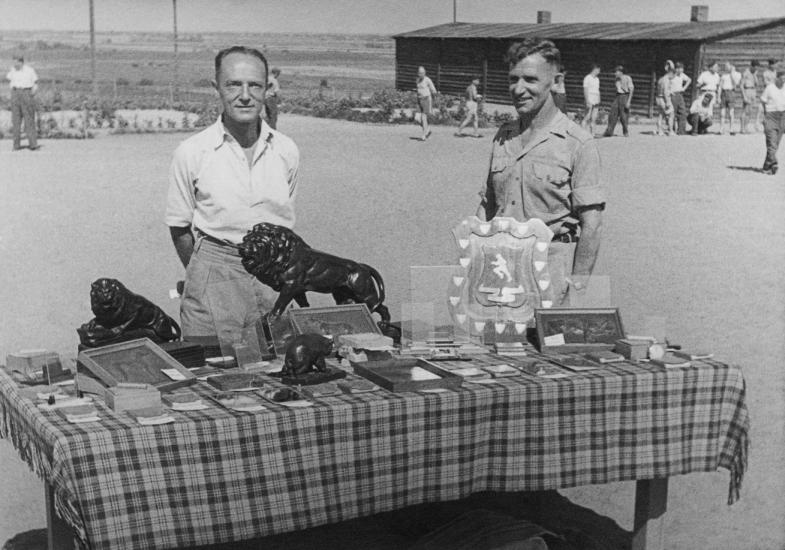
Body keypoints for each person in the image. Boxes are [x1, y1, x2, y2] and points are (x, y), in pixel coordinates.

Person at [165, 46, 300, 339]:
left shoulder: (286, 150)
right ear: (216, 88)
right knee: (210, 363)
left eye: (255, 85)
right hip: (215, 277)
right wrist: (204, 277)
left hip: (273, 280)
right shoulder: (192, 152)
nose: (245, 95)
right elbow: (179, 227)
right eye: (233, 85)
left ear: (267, 89)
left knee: (281, 361)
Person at [478, 39, 604, 306]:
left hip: (551, 280)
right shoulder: (503, 136)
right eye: (513, 79)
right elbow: (487, 207)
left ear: (556, 82)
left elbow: (592, 226)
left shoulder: (578, 143)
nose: (518, 89)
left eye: (530, 80)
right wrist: (474, 266)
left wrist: (576, 293)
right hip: (501, 275)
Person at [6, 55, 39, 151]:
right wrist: (12, 92)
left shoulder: (29, 70)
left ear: (21, 62)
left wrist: (32, 93)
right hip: (15, 93)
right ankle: (16, 145)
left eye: (16, 62)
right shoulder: (12, 70)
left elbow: (35, 83)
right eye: (13, 62)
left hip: (26, 92)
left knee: (29, 119)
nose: (14, 64)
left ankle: (33, 144)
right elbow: (10, 80)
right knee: (15, 120)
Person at [759, 69, 785, 175]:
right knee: (772, 143)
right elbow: (762, 102)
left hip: (782, 117)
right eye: (782, 79)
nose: (783, 81)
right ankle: (774, 163)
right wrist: (761, 117)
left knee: (775, 144)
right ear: (777, 78)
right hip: (770, 116)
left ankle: (766, 166)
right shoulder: (770, 88)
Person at [603, 65, 633, 137]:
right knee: (612, 113)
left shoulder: (627, 78)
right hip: (618, 96)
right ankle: (609, 131)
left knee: (623, 115)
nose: (615, 73)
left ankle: (625, 131)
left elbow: (631, 90)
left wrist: (628, 101)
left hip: (625, 96)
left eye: (616, 72)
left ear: (621, 72)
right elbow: (617, 89)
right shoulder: (616, 79)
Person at [718, 62, 741, 134]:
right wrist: (718, 97)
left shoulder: (737, 74)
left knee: (731, 112)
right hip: (724, 93)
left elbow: (736, 83)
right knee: (722, 113)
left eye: (727, 66)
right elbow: (720, 86)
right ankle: (721, 129)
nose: (726, 67)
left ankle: (731, 129)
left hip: (731, 92)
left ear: (731, 66)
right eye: (725, 66)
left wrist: (732, 74)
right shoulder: (723, 75)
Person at [415, 66, 437, 141]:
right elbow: (418, 90)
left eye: (422, 73)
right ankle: (427, 130)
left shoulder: (428, 80)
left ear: (425, 73)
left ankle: (424, 135)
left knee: (424, 117)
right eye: (419, 73)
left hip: (426, 99)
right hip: (419, 100)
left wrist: (433, 100)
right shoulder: (417, 80)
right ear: (418, 73)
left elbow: (433, 90)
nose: (421, 74)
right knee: (417, 118)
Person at [670, 62, 691, 135]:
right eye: (678, 68)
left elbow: (689, 80)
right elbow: (666, 83)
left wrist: (684, 88)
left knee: (682, 112)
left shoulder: (682, 75)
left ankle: (681, 131)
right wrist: (670, 91)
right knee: (673, 113)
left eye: (681, 68)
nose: (680, 70)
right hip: (673, 95)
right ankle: (671, 130)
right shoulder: (671, 75)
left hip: (680, 94)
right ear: (675, 69)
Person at [655, 61, 675, 136]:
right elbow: (665, 91)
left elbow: (660, 90)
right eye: (673, 75)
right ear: (671, 73)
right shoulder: (666, 80)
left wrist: (670, 92)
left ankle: (659, 130)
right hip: (664, 99)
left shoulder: (661, 79)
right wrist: (668, 102)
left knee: (660, 115)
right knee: (671, 114)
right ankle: (671, 131)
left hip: (658, 98)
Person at [740, 60, 760, 134]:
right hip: (747, 90)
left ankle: (746, 127)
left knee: (750, 111)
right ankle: (742, 128)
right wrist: (744, 96)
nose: (756, 69)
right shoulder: (746, 73)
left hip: (753, 91)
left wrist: (755, 75)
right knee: (745, 110)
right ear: (751, 66)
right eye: (755, 67)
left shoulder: (754, 73)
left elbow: (757, 84)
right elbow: (741, 85)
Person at [581, 64, 601, 134]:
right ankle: (583, 133)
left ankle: (592, 134)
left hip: (596, 99)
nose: (599, 71)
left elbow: (597, 89)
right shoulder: (587, 78)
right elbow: (585, 90)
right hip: (590, 98)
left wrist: (599, 98)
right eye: (598, 70)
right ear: (595, 69)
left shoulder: (597, 79)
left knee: (594, 118)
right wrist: (587, 101)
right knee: (587, 116)